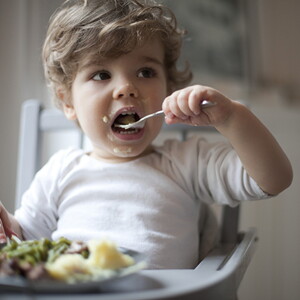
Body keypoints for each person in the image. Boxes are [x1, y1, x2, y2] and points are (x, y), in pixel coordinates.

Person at [0, 0, 293, 269]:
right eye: (101, 75)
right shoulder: (59, 172)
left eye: (145, 72)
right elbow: (22, 239)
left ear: (167, 90)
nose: (127, 88)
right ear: (68, 102)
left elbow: (274, 179)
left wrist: (232, 117)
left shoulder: (188, 162)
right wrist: (5, 228)